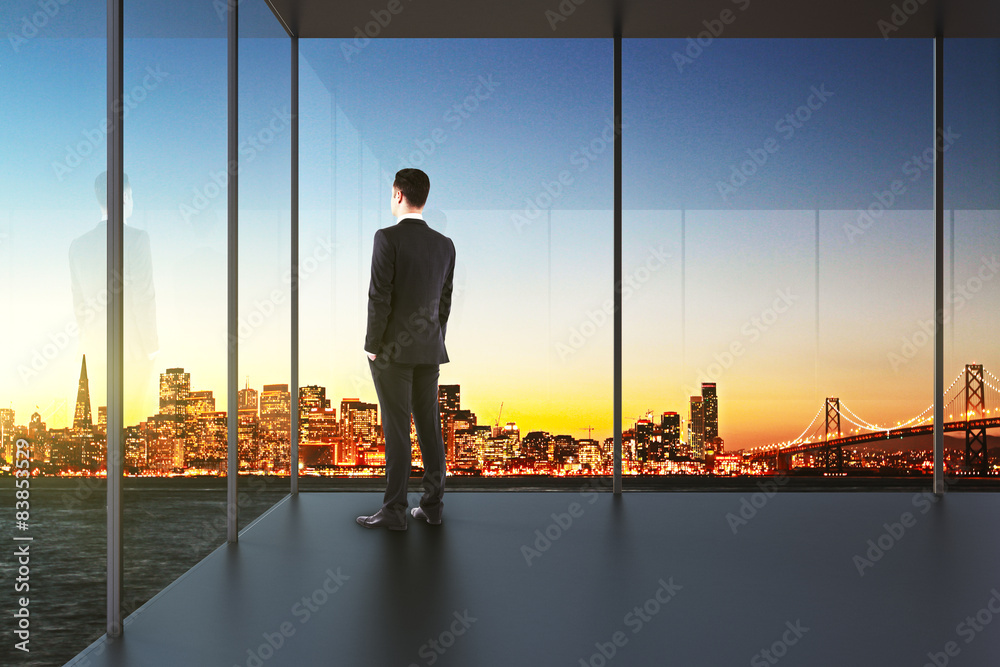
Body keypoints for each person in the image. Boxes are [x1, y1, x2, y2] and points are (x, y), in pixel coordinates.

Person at [357, 168, 455, 531]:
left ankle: (395, 512)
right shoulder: (446, 245)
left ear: (398, 195)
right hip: (430, 348)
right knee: (430, 426)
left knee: (397, 428)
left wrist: (372, 345)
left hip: (392, 352)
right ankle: (432, 506)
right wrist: (435, 337)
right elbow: (444, 302)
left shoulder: (386, 238)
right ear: (424, 198)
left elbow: (378, 295)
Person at [69, 172, 159, 425]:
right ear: (125, 196)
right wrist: (152, 346)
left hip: (94, 349)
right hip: (132, 350)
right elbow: (144, 295)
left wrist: (85, 340)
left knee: (104, 423)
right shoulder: (137, 239)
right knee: (131, 424)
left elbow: (80, 304)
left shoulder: (77, 246)